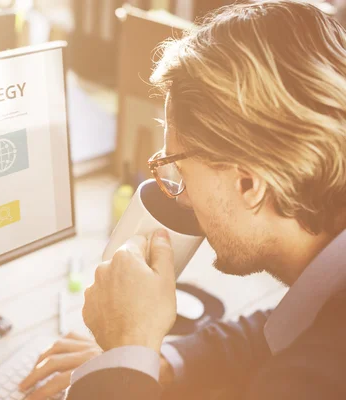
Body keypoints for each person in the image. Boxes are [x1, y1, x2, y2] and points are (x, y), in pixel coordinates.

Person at [18, 1, 346, 399]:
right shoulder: (325, 306)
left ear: (249, 184)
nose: (181, 197)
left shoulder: (318, 377)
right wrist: (157, 361)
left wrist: (127, 349)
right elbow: (283, 327)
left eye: (179, 169)